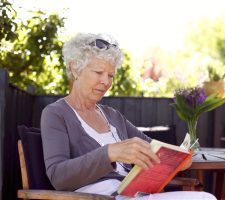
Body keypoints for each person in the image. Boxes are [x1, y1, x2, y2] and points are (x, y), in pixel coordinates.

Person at [41, 33, 216, 200]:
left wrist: (178, 158)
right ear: (75, 68)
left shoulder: (112, 116)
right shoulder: (56, 114)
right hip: (96, 196)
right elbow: (58, 176)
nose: (106, 82)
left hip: (131, 194)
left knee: (206, 197)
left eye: (110, 75)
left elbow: (153, 148)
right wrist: (109, 153)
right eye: (98, 72)